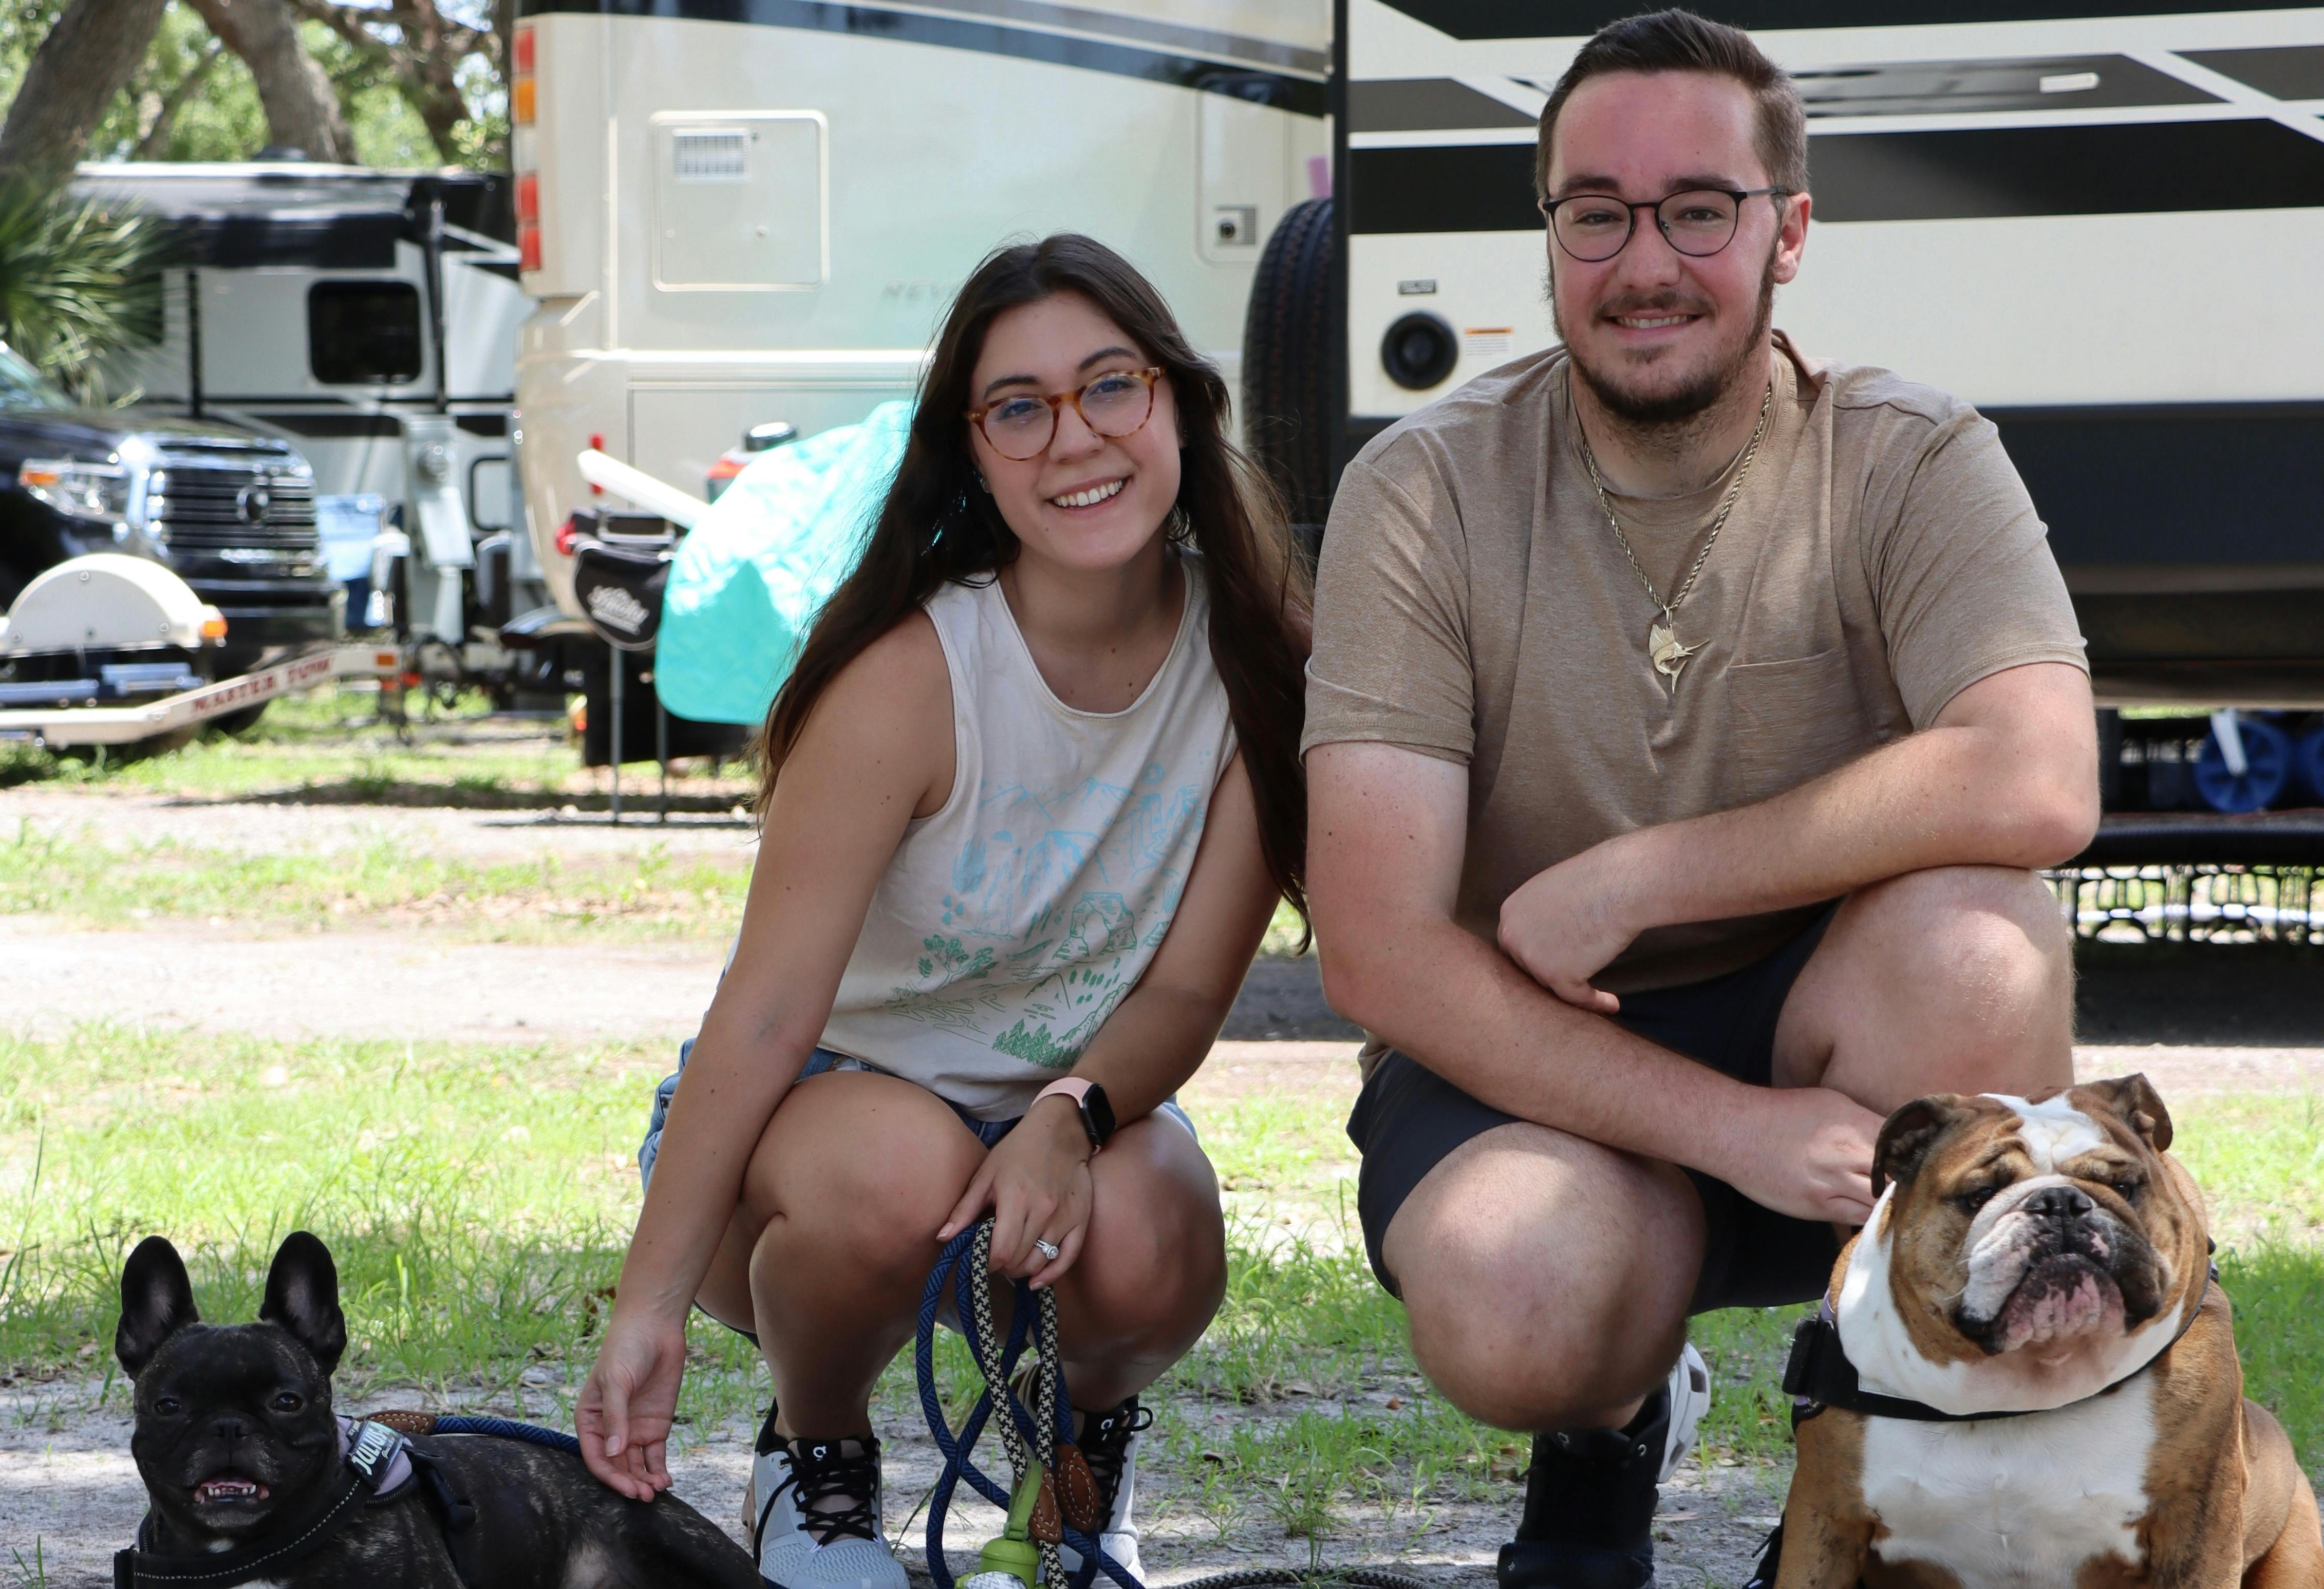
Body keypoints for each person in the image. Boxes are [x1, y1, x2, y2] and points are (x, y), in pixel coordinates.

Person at [1303, 12, 2100, 1588]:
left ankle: (1895, 1485)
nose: (1643, 259)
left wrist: (1648, 874)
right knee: (1517, 1304)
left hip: (1834, 1023)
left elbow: (2040, 770)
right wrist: (1731, 1131)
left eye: (1698, 210)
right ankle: (1609, 1417)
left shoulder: (1910, 455)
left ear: (1787, 232)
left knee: (1985, 945)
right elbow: (1379, 945)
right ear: (1548, 238)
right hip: (1530, 1066)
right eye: (1594, 212)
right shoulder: (1425, 488)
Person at [572, 233, 1310, 1589]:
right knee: (903, 1177)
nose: (1072, 438)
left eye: (1110, 386)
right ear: (972, 451)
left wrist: (1067, 1117)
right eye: (1018, 407)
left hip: (1063, 1116)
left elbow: (1188, 996)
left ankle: (1070, 1488)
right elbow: (766, 1013)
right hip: (812, 1140)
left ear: (1178, 405)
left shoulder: (1257, 670)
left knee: (1161, 1218)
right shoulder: (912, 677)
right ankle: (818, 1458)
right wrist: (647, 1309)